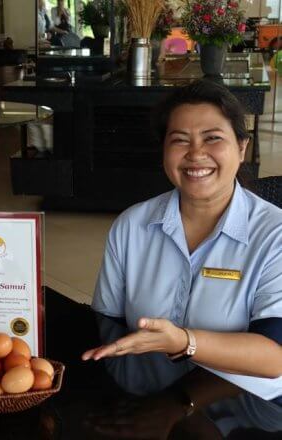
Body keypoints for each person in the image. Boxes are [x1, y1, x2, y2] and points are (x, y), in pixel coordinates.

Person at [82, 80, 282, 381]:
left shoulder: (274, 234)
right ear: (164, 150)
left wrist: (184, 341)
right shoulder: (132, 225)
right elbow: (108, 323)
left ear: (242, 148)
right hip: (149, 393)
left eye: (212, 138)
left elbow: (275, 358)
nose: (196, 153)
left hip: (243, 404)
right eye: (180, 140)